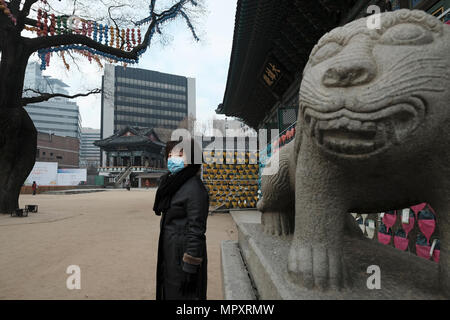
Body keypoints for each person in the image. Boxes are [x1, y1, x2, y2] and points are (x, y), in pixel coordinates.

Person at [154, 138, 209, 300]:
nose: (173, 158)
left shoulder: (194, 188)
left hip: (183, 259)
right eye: (170, 154)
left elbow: (196, 230)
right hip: (171, 253)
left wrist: (190, 266)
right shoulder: (174, 185)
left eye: (179, 154)